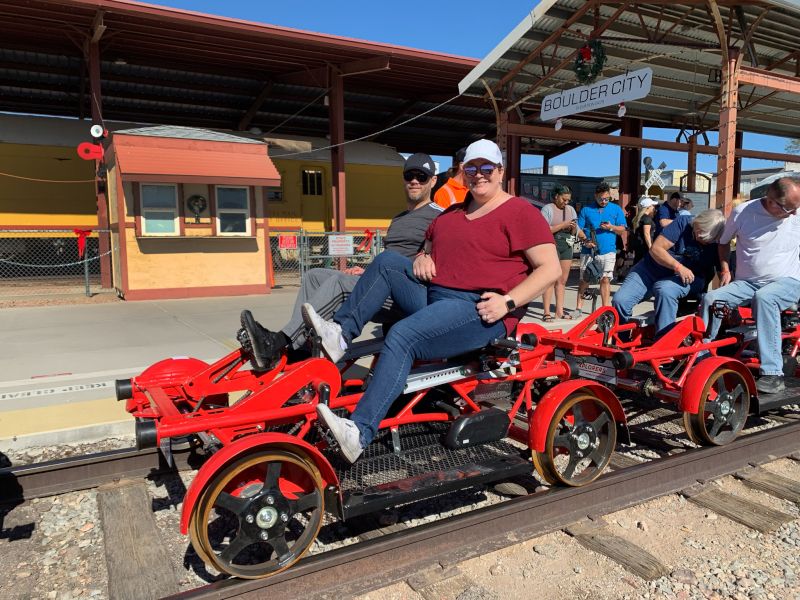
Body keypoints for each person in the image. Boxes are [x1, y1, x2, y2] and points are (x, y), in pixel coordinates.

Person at [305, 139, 561, 463]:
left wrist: (509, 303)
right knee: (386, 262)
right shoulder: (452, 213)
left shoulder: (520, 212)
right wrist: (423, 256)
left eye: (486, 168)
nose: (478, 175)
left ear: (500, 171)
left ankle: (359, 432)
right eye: (471, 168)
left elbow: (550, 268)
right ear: (462, 172)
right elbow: (428, 245)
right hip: (435, 296)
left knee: (401, 335)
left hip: (477, 308)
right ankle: (340, 335)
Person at [240, 152, 444, 368]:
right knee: (313, 276)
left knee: (341, 284)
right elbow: (391, 256)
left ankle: (280, 342)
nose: (414, 181)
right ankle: (302, 350)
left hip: (407, 294)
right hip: (383, 283)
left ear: (432, 181)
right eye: (409, 175)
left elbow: (439, 258)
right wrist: (366, 271)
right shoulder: (399, 218)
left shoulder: (440, 216)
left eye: (421, 176)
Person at [701, 176, 800, 394]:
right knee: (711, 299)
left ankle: (773, 373)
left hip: (788, 281)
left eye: (796, 208)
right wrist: (726, 270)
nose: (794, 213)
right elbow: (724, 242)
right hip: (748, 282)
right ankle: (701, 354)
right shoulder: (743, 213)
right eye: (789, 209)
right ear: (771, 200)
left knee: (765, 298)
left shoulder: (797, 212)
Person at [612, 209, 725, 336]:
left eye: (706, 238)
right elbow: (656, 249)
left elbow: (723, 271)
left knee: (665, 289)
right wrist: (678, 267)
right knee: (620, 301)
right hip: (650, 270)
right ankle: (621, 343)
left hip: (690, 278)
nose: (699, 237)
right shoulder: (683, 223)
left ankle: (663, 342)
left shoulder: (717, 243)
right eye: (700, 231)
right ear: (698, 222)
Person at [576, 182, 627, 311]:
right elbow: (578, 229)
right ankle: (579, 308)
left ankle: (605, 309)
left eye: (606, 198)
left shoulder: (616, 209)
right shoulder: (586, 210)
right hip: (588, 251)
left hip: (608, 250)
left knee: (605, 279)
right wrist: (585, 240)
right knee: (585, 279)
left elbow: (622, 230)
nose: (604, 201)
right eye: (601, 199)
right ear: (595, 196)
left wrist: (611, 227)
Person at [540, 183, 580, 321]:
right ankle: (546, 312)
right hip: (552, 243)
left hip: (567, 244)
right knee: (550, 279)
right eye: (564, 199)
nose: (566, 202)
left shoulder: (570, 210)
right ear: (556, 196)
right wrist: (563, 225)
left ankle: (559, 311)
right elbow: (543, 230)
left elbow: (577, 230)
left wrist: (574, 228)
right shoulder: (547, 209)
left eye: (568, 200)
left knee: (562, 280)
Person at [631, 197, 657, 263]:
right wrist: (651, 248)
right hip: (644, 247)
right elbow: (647, 234)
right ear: (648, 207)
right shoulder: (647, 218)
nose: (653, 207)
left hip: (639, 246)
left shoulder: (640, 217)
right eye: (652, 206)